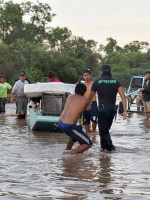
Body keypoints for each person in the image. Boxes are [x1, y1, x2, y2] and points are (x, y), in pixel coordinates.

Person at [88, 64, 127, 152]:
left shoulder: (97, 82)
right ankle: (103, 149)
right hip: (113, 109)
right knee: (105, 129)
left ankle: (110, 148)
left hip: (102, 109)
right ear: (110, 71)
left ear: (101, 71)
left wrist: (87, 105)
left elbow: (90, 97)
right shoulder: (116, 82)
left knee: (103, 131)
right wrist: (125, 110)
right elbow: (123, 97)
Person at [59, 83, 92, 154]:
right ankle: (69, 154)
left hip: (60, 123)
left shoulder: (69, 97)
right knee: (88, 143)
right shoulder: (85, 100)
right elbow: (88, 108)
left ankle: (67, 149)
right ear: (84, 91)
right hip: (69, 126)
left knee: (76, 132)